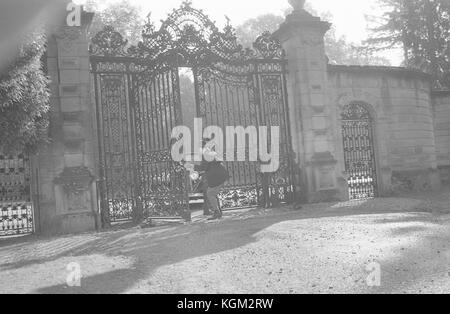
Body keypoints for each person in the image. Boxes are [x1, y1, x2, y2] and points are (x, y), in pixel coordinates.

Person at [195, 140, 229, 220]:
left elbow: (202, 166)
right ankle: (218, 211)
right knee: (213, 193)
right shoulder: (210, 152)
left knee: (210, 193)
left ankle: (217, 212)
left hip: (217, 176)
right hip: (220, 175)